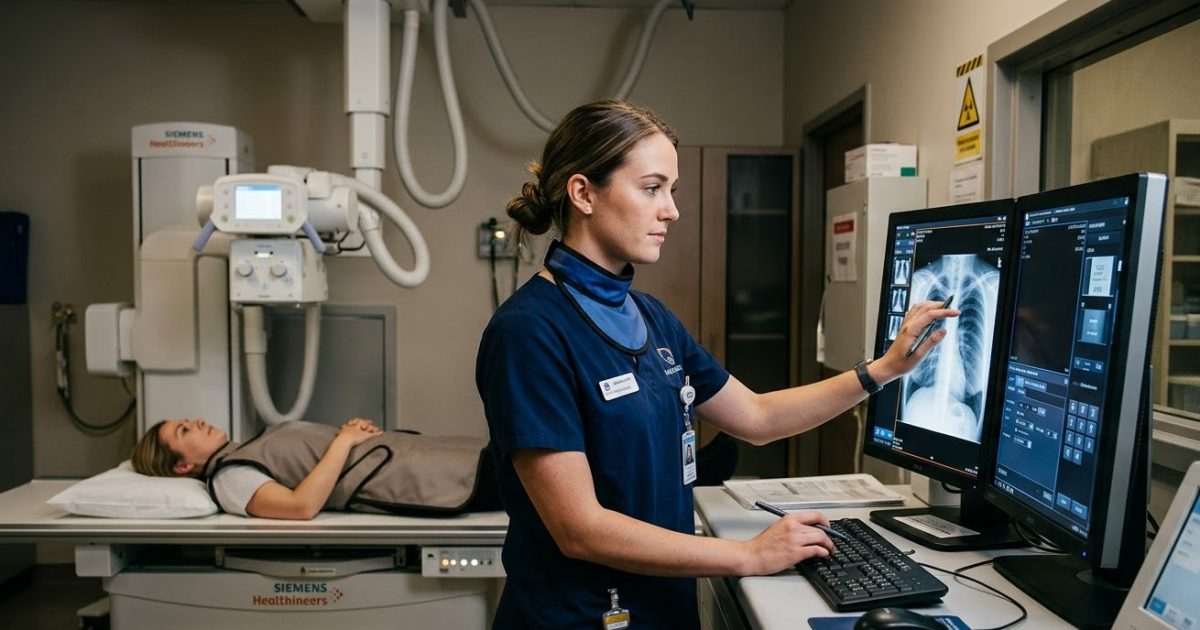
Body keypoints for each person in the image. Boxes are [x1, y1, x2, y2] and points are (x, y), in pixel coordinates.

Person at [475, 99, 957, 629]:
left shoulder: (651, 318)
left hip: (663, 611)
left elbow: (756, 417)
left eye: (671, 190)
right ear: (583, 193)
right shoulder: (529, 333)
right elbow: (580, 529)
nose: (671, 210)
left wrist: (883, 370)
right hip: (579, 618)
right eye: (652, 187)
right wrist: (747, 556)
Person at [131, 417, 500, 520]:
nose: (197, 421)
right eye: (184, 430)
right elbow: (301, 507)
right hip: (430, 478)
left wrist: (350, 434)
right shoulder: (230, 477)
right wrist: (345, 441)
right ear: (182, 466)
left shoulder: (247, 448)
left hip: (425, 457)